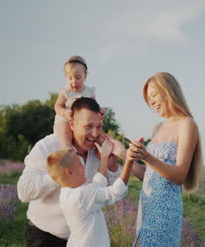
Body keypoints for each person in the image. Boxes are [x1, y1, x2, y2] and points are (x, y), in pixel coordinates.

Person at [17, 97, 126, 247]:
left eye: (99, 126)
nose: (95, 134)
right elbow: (23, 192)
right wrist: (60, 175)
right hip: (44, 236)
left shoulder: (101, 152)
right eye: (88, 126)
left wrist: (112, 165)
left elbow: (114, 192)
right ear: (72, 124)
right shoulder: (48, 146)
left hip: (83, 240)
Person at [127, 72, 203, 247]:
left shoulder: (187, 124)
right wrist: (125, 156)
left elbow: (179, 176)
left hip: (165, 210)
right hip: (146, 206)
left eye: (153, 95)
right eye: (149, 98)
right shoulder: (158, 128)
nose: (151, 102)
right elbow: (149, 175)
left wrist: (147, 156)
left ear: (168, 91)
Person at [46, 142, 134, 247]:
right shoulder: (80, 196)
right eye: (79, 164)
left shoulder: (68, 194)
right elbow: (116, 192)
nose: (83, 166)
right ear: (69, 172)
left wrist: (104, 157)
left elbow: (98, 183)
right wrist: (129, 160)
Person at [54, 56, 104, 149]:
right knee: (65, 137)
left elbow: (95, 105)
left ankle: (102, 153)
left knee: (98, 136)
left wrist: (100, 110)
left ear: (85, 76)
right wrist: (64, 112)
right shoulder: (66, 91)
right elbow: (57, 106)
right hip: (66, 119)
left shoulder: (89, 91)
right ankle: (68, 151)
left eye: (78, 78)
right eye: (70, 78)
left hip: (84, 122)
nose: (74, 82)